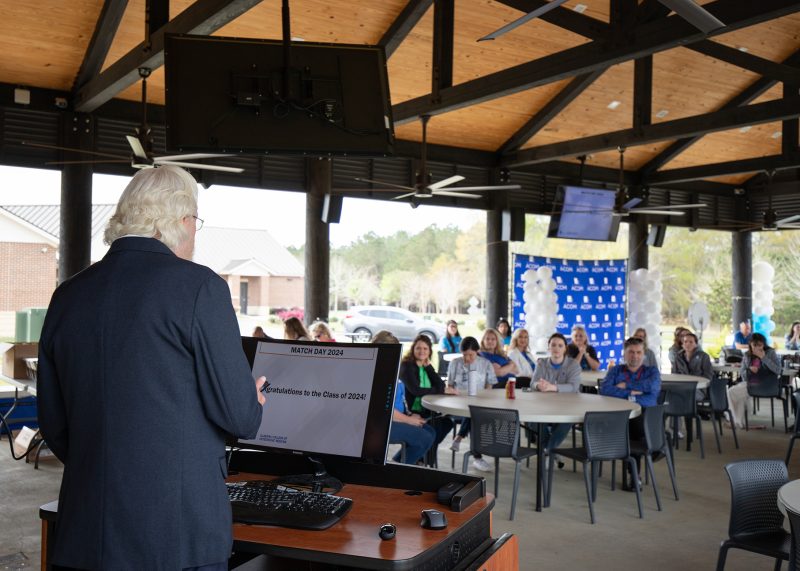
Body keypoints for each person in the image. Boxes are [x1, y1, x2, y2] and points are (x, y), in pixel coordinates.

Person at [37, 166, 267, 570]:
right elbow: (240, 418)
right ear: (181, 220)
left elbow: (54, 423)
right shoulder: (200, 287)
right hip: (175, 537)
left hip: (85, 533)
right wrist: (252, 398)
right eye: (196, 221)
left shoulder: (68, 294)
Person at [372, 331, 437, 465]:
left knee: (430, 431)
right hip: (380, 424)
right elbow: (383, 409)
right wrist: (409, 420)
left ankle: (398, 463)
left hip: (395, 417)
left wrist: (409, 415)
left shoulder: (389, 367)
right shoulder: (377, 372)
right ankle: (398, 469)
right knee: (424, 437)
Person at [398, 334, 456, 456]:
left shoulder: (425, 366)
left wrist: (429, 368)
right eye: (418, 348)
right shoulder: (407, 366)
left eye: (425, 348)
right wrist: (441, 390)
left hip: (427, 409)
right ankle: (422, 458)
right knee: (434, 429)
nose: (422, 351)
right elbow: (416, 390)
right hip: (412, 410)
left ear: (429, 351)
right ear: (413, 349)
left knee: (447, 423)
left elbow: (440, 385)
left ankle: (422, 457)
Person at [447, 336, 497, 472]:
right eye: (465, 355)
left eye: (471, 355)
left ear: (477, 351)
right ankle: (477, 457)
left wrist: (484, 397)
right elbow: (450, 385)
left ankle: (459, 437)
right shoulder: (455, 363)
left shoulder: (485, 364)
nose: (467, 358)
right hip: (458, 403)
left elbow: (490, 386)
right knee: (473, 414)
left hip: (480, 403)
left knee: (474, 413)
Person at [532, 333, 582, 455]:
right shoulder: (541, 363)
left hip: (567, 406)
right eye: (553, 345)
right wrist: (539, 386)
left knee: (568, 420)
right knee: (532, 419)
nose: (556, 348)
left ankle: (546, 451)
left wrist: (552, 387)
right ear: (548, 347)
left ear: (565, 348)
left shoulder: (574, 365)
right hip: (544, 405)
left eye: (560, 345)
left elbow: (574, 387)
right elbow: (533, 383)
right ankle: (548, 451)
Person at [728, 333, 781, 428]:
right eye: (754, 345)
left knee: (731, 392)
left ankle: (735, 421)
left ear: (764, 344)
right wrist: (749, 370)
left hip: (767, 385)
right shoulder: (747, 355)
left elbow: (778, 370)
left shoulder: (770, 353)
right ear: (750, 345)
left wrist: (763, 358)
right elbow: (743, 374)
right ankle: (739, 422)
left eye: (760, 345)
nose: (757, 348)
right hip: (750, 384)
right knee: (736, 394)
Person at [601, 337, 661, 408]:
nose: (635, 356)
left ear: (643, 354)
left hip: (645, 413)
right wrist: (630, 392)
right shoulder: (615, 370)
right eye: (631, 352)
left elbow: (653, 387)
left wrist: (626, 385)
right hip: (619, 412)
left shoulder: (652, 371)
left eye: (638, 352)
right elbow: (605, 390)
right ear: (625, 353)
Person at [672, 332, 713, 400]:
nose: (688, 344)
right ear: (682, 344)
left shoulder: (703, 356)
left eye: (691, 342)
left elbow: (708, 375)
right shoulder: (678, 357)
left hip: (698, 389)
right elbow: (674, 374)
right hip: (681, 387)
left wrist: (698, 384)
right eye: (685, 342)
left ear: (696, 344)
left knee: (683, 396)